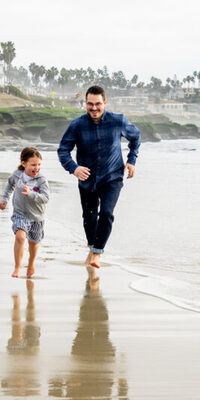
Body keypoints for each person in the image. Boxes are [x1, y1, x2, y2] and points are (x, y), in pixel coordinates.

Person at [57, 85, 141, 268]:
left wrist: (131, 160)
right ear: (85, 104)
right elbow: (63, 150)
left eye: (98, 104)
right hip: (86, 179)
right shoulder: (77, 125)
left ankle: (97, 253)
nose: (94, 108)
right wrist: (74, 168)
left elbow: (136, 137)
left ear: (105, 103)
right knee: (89, 217)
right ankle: (93, 248)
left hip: (113, 176)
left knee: (106, 213)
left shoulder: (118, 121)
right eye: (90, 104)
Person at [0, 147, 50, 278]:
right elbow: (9, 185)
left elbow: (45, 198)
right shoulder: (17, 174)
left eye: (39, 164)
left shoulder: (41, 180)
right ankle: (17, 267)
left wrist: (31, 194)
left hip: (37, 217)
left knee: (33, 243)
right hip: (20, 214)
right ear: (23, 163)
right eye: (33, 165)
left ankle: (31, 263)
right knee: (20, 237)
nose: (36, 168)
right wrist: (4, 199)